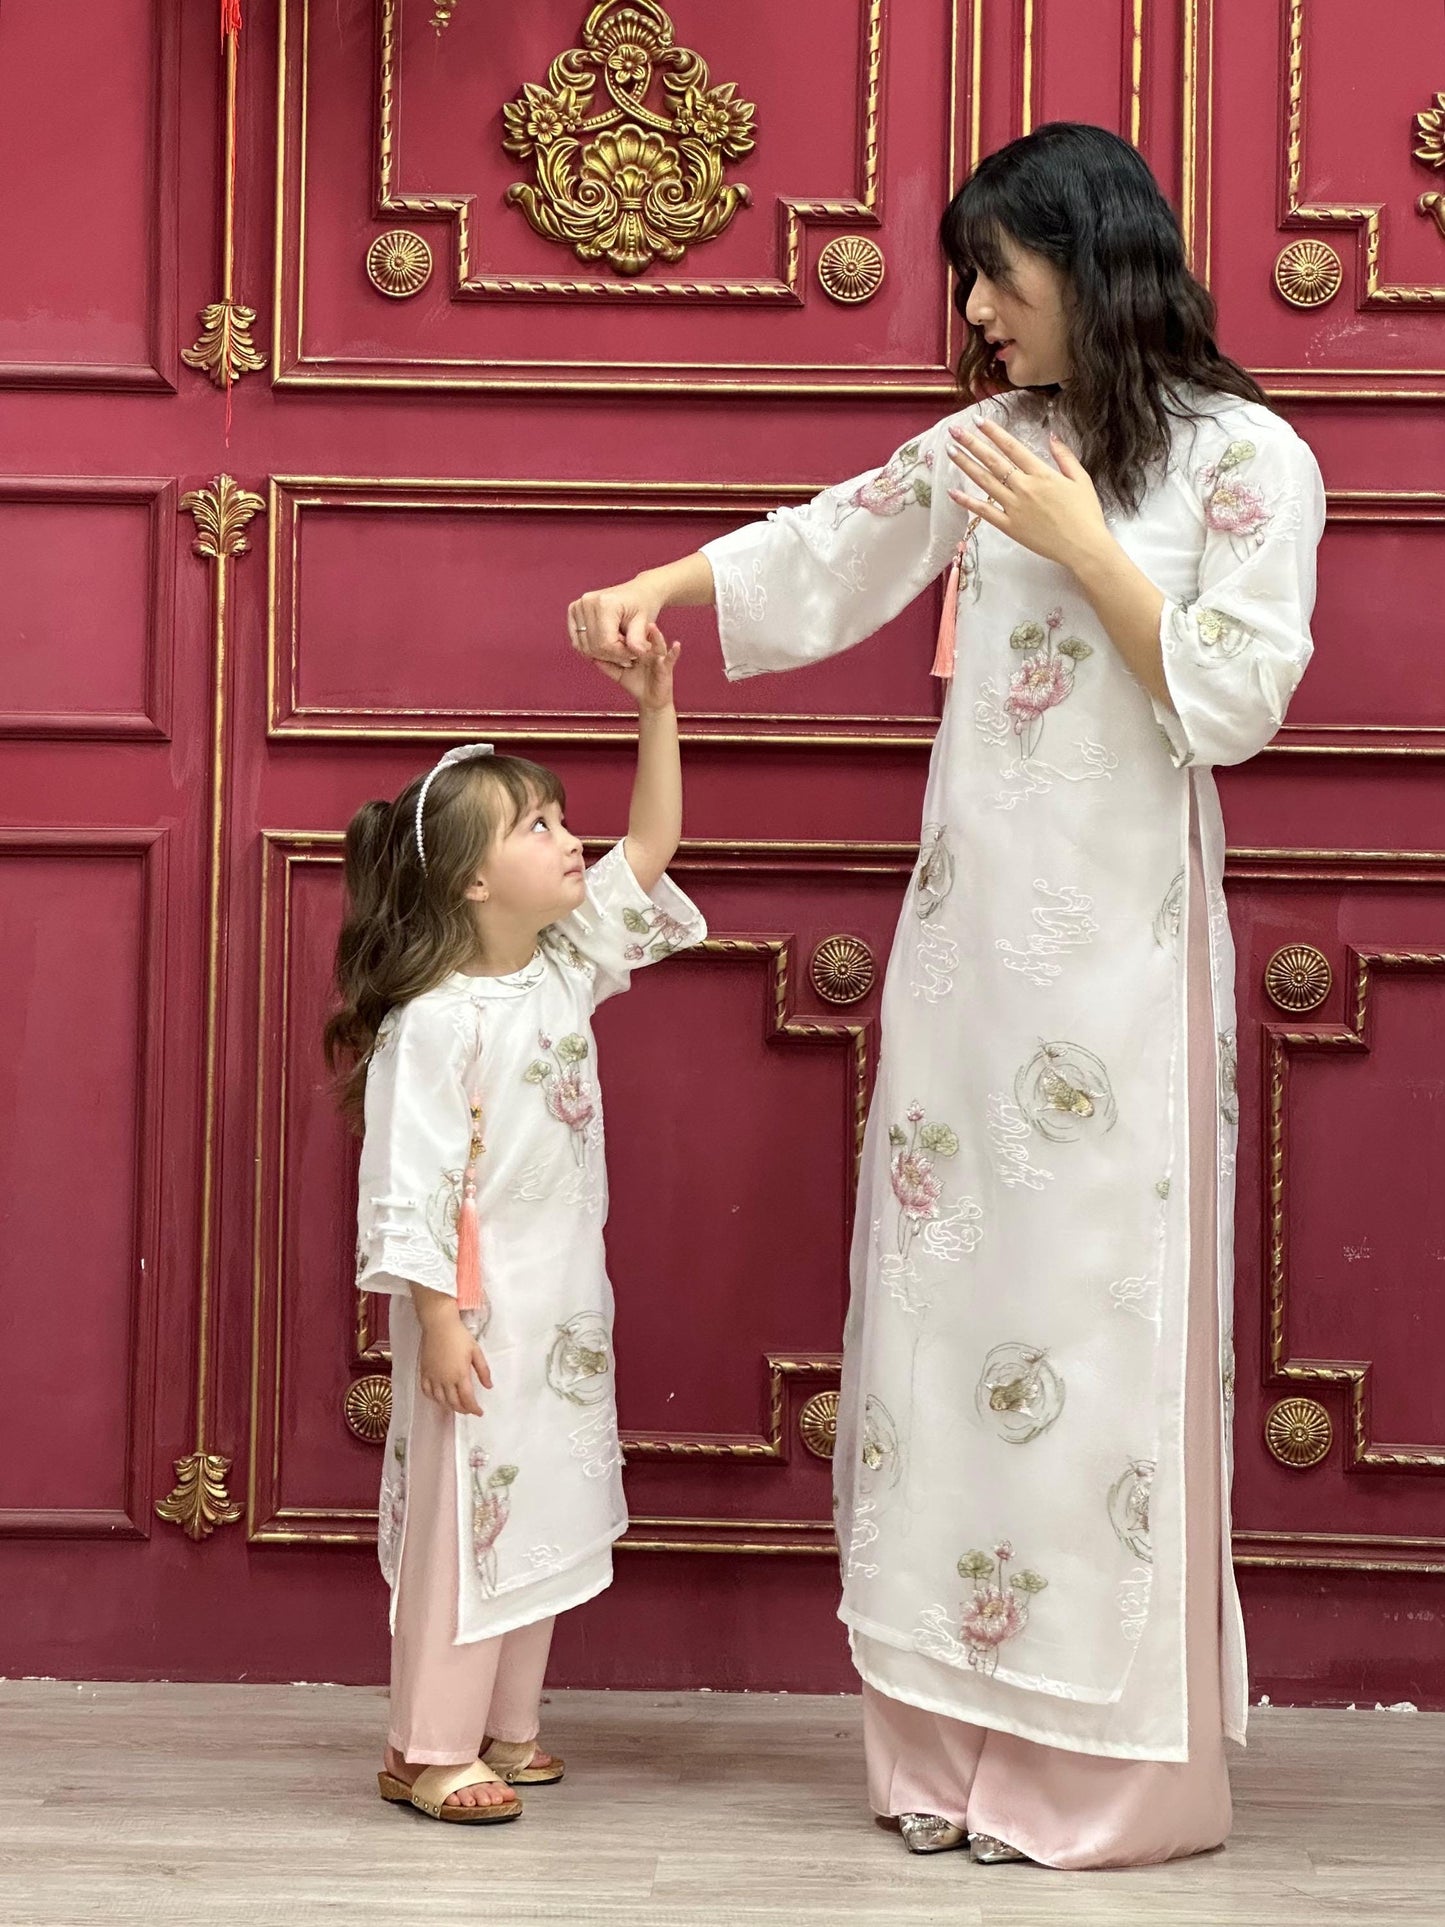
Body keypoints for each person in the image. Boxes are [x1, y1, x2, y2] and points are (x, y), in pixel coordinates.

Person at [566, 122, 1324, 1869]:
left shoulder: (1249, 462)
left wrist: (1097, 549)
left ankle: (1092, 1773)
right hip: (971, 950)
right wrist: (661, 588)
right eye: (968, 277)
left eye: (1003, 273)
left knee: (1090, 1321)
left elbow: (1235, 704)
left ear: (1097, 260)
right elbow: (837, 543)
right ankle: (940, 1751)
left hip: (1122, 966)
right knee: (944, 1316)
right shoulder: (992, 444)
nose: (977, 310)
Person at [324, 630, 705, 1823]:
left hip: (559, 1302)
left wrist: (658, 711)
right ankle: (427, 1746)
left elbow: (650, 847)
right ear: (471, 883)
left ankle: (511, 1726)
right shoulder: (434, 1024)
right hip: (475, 1313)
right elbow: (415, 1179)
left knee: (533, 1504)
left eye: (557, 817)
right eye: (533, 828)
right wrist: (434, 1319)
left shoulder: (559, 968)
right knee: (460, 1521)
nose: (567, 837)